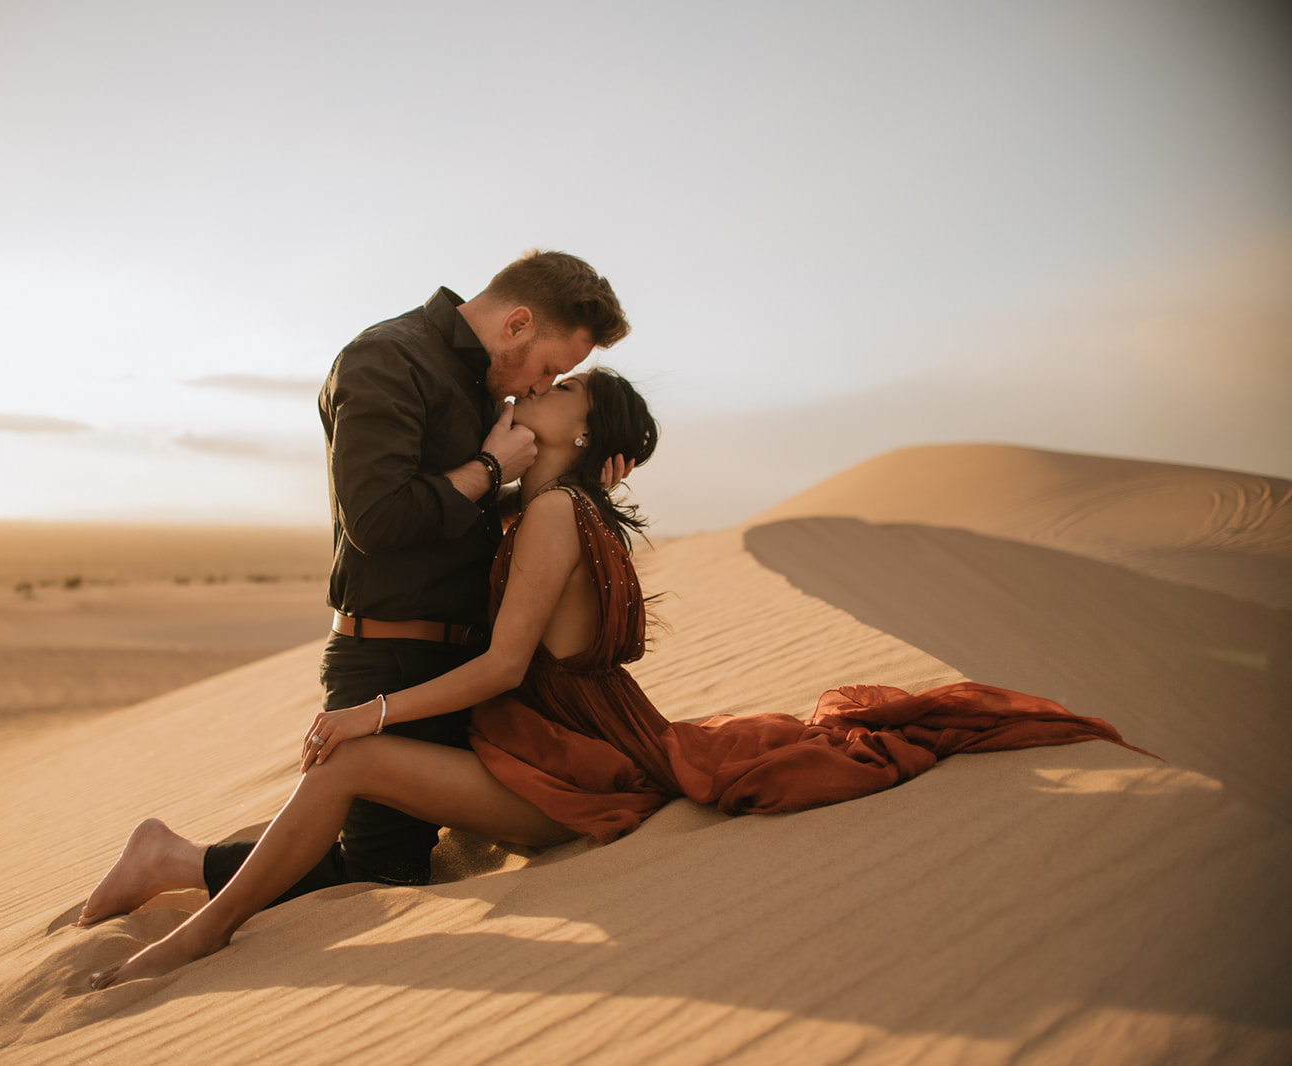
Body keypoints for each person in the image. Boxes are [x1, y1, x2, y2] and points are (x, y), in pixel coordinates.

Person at [80, 368, 1139, 989]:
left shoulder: (551, 513)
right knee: (365, 824)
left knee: (347, 767)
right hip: (546, 751)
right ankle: (177, 865)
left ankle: (200, 931)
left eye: (555, 392)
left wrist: (372, 706)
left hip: (575, 776)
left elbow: (502, 663)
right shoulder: (541, 505)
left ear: (585, 439)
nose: (533, 392)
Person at [187, 250, 631, 903]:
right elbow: (378, 518)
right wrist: (487, 465)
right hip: (389, 657)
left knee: (404, 840)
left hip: (458, 675)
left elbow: (458, 523)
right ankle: (173, 861)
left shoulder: (486, 383)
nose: (541, 387)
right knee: (381, 873)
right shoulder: (386, 360)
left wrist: (572, 490)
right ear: (516, 324)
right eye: (548, 369)